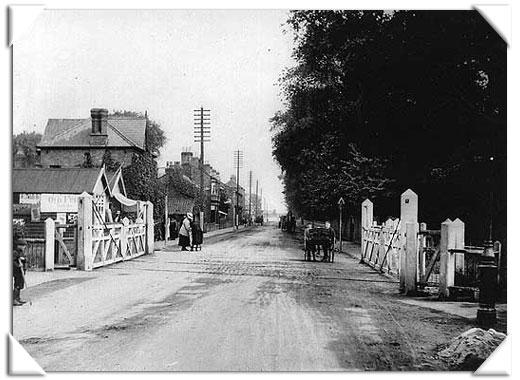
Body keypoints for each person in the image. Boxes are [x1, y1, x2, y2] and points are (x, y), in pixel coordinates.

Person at [13, 238, 28, 306]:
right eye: (23, 246)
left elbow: (24, 259)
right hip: (17, 271)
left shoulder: (21, 252)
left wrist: (24, 259)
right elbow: (12, 261)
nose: (24, 247)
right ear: (19, 246)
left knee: (20, 284)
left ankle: (18, 298)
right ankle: (14, 299)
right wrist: (18, 265)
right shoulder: (15, 252)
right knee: (17, 285)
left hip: (21, 271)